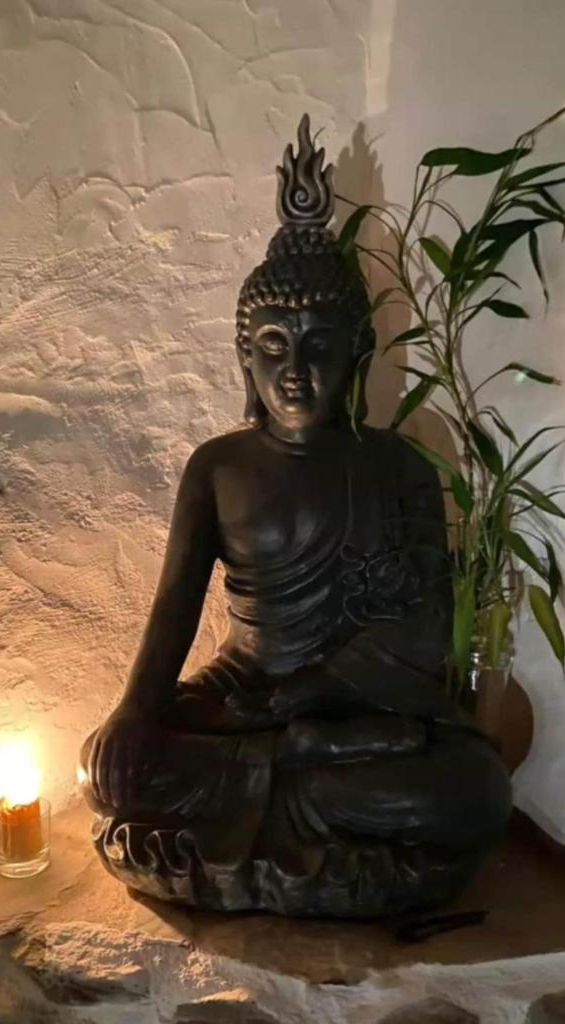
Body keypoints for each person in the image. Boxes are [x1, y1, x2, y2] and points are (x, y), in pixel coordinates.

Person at [80, 115, 511, 917]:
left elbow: (424, 626)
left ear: (358, 355)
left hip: (358, 710)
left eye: (319, 347)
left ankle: (270, 801)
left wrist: (308, 698)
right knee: (103, 773)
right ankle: (303, 790)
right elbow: (173, 611)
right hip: (245, 699)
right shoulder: (216, 466)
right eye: (274, 347)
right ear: (243, 357)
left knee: (475, 789)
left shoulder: (402, 467)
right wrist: (133, 714)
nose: (295, 371)